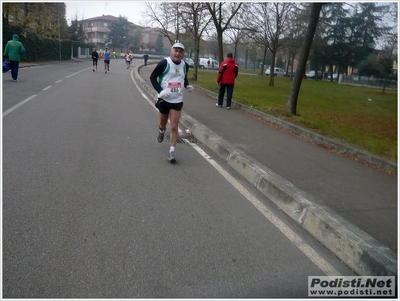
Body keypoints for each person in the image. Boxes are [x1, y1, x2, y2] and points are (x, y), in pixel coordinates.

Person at [149, 42, 194, 163]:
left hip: (177, 100)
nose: (177, 54)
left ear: (183, 54)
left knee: (174, 125)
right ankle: (161, 130)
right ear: (171, 52)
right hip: (164, 99)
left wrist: (187, 85)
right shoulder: (164, 63)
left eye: (180, 52)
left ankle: (172, 152)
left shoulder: (185, 65)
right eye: (176, 51)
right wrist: (160, 91)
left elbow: (183, 78)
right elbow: (152, 77)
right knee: (162, 123)